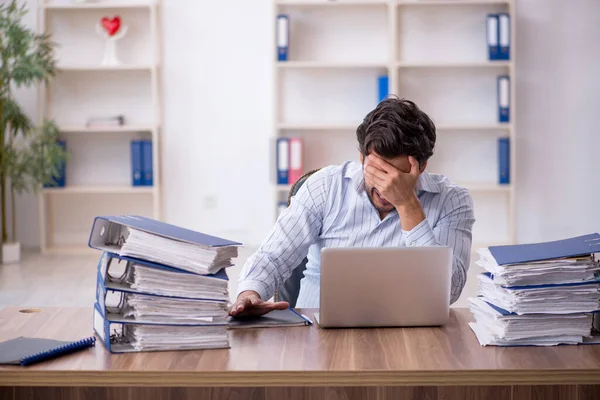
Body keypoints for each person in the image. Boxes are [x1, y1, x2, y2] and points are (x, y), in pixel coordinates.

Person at [230, 97, 475, 318]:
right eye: (377, 172)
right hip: (317, 337)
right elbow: (274, 255)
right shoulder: (324, 188)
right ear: (362, 158)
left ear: (421, 167)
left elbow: (448, 292)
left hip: (407, 336)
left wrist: (407, 204)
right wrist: (249, 293)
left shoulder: (452, 201)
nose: (385, 188)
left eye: (397, 176)